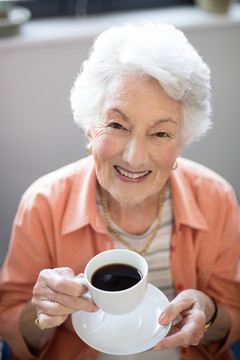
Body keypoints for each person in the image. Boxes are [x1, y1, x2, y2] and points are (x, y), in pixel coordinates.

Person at [0, 22, 239, 360]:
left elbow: (231, 317)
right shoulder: (42, 204)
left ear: (182, 142)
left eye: (160, 134)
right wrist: (41, 316)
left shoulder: (218, 199)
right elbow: (16, 331)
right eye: (116, 125)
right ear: (89, 126)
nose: (134, 157)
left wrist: (210, 314)